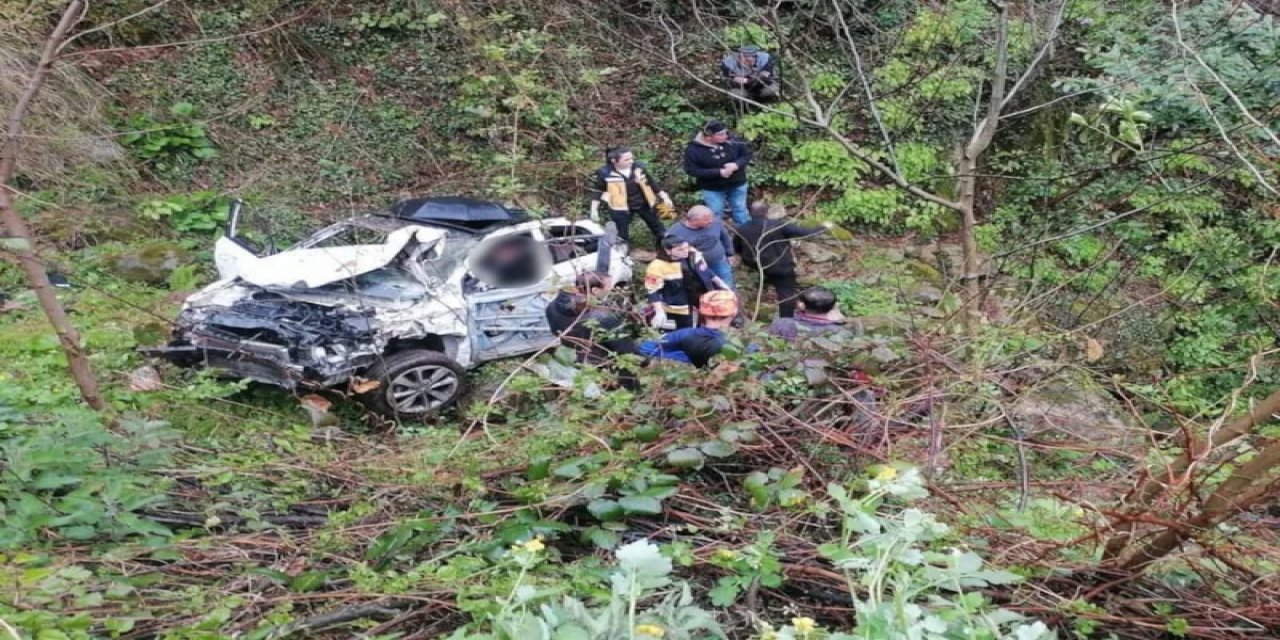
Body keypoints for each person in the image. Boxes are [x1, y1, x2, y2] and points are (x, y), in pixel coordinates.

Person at [734, 201, 834, 318]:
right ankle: (786, 320)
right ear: (767, 212)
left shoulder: (742, 228)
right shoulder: (779, 225)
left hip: (755, 264)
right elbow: (804, 233)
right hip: (780, 266)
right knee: (786, 293)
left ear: (750, 213)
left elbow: (737, 247)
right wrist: (823, 227)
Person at [546, 271, 638, 364]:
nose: (611, 290)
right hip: (603, 361)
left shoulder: (551, 307)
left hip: (577, 357)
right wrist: (644, 361)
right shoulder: (603, 317)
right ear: (595, 291)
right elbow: (625, 348)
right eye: (609, 287)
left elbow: (555, 331)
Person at [590, 146, 674, 248]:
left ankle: (664, 248)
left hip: (644, 203)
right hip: (620, 208)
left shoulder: (638, 168)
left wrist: (665, 197)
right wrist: (594, 209)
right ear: (614, 161)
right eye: (626, 159)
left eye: (631, 158)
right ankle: (623, 254)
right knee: (622, 234)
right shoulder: (605, 173)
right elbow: (598, 191)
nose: (631, 161)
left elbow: (651, 183)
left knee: (658, 228)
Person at [645, 235, 729, 330]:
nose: (685, 251)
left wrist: (722, 284)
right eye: (680, 250)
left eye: (686, 247)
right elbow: (652, 291)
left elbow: (706, 271)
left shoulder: (694, 255)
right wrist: (659, 311)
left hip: (701, 299)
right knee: (681, 331)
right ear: (668, 250)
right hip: (676, 308)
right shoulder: (657, 267)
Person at [638, 291, 738, 368]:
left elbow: (646, 347)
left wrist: (684, 357)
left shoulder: (684, 335)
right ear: (733, 313)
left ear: (702, 312)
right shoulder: (739, 343)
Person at [683, 120, 753, 226]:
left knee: (741, 211)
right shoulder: (693, 150)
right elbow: (691, 170)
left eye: (725, 132)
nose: (725, 136)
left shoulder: (733, 141)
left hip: (738, 184)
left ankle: (746, 237)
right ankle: (718, 238)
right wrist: (718, 172)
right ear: (708, 137)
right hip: (712, 189)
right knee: (715, 215)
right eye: (720, 134)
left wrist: (736, 165)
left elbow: (747, 155)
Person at [666, 205, 737, 289]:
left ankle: (729, 299)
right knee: (704, 286)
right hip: (695, 267)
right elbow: (670, 251)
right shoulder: (675, 232)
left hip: (719, 261)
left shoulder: (716, 222)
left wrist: (730, 253)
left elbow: (725, 237)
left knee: (727, 283)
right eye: (707, 220)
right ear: (694, 220)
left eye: (712, 218)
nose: (711, 221)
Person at [767, 286, 860, 342]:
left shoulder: (782, 323)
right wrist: (843, 320)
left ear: (801, 305)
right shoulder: (841, 331)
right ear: (835, 306)